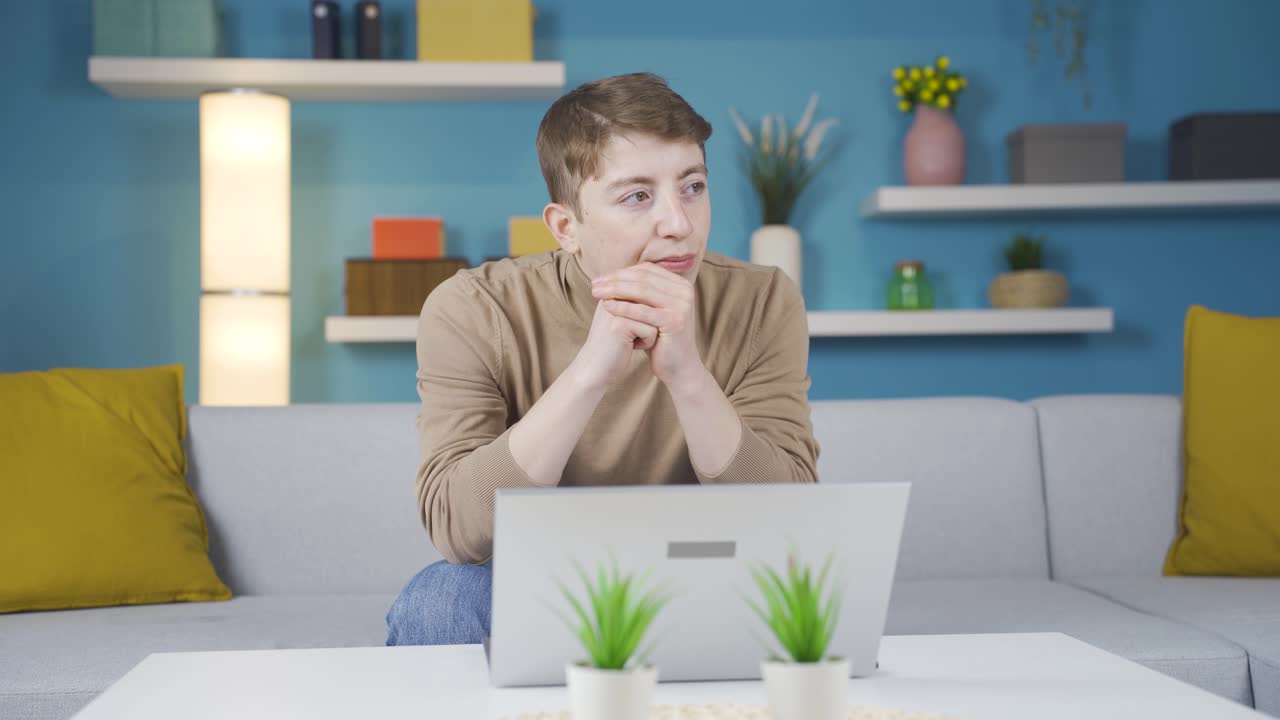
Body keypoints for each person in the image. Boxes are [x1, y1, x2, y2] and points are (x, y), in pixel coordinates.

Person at [386, 72, 819, 646]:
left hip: (706, 575)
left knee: (803, 599)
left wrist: (688, 375)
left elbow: (787, 519)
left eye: (692, 186)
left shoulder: (763, 300)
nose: (680, 224)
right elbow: (459, 533)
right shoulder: (473, 308)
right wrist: (590, 372)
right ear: (567, 228)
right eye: (637, 196)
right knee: (440, 599)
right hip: (534, 578)